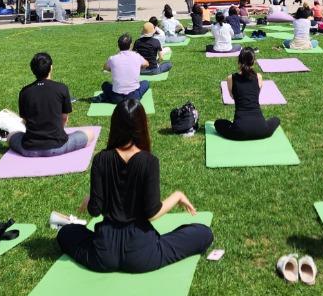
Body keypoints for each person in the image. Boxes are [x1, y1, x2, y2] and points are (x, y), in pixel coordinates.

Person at [57, 99, 212, 273]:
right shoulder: (149, 162)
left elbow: (95, 210)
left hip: (103, 253)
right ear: (142, 126)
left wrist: (91, 199)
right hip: (142, 253)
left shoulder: (101, 159)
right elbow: (151, 213)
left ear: (115, 124)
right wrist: (177, 196)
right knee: (203, 233)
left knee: (66, 232)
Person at [9, 52, 94, 157]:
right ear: (51, 68)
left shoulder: (24, 92)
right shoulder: (61, 88)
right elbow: (64, 118)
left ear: (33, 70)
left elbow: (25, 120)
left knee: (11, 135)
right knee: (90, 133)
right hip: (58, 146)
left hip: (29, 148)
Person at [214, 48, 281, 140]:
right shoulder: (259, 77)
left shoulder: (231, 78)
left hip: (239, 131)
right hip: (262, 130)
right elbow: (256, 94)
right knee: (276, 119)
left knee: (218, 123)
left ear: (239, 61)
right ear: (253, 62)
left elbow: (232, 96)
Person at [98, 34, 149, 104]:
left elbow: (105, 67)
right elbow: (147, 64)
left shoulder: (112, 59)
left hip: (116, 98)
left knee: (105, 85)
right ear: (131, 45)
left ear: (118, 46)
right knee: (146, 83)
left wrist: (113, 69)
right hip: (133, 97)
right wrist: (139, 67)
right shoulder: (136, 56)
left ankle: (106, 97)